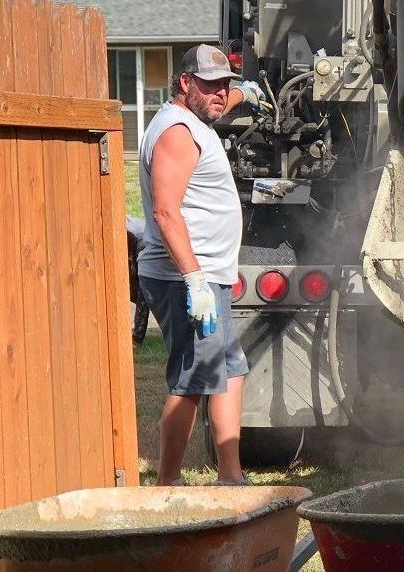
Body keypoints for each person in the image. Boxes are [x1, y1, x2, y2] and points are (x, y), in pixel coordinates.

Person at [137, 44, 265, 486]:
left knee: (230, 371)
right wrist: (194, 281)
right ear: (185, 82)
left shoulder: (196, 113)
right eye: (211, 84)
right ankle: (167, 484)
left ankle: (230, 478)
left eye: (225, 84)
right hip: (186, 278)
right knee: (193, 381)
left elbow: (219, 102)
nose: (220, 92)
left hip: (208, 276)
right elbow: (165, 212)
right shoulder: (176, 132)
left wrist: (247, 93)